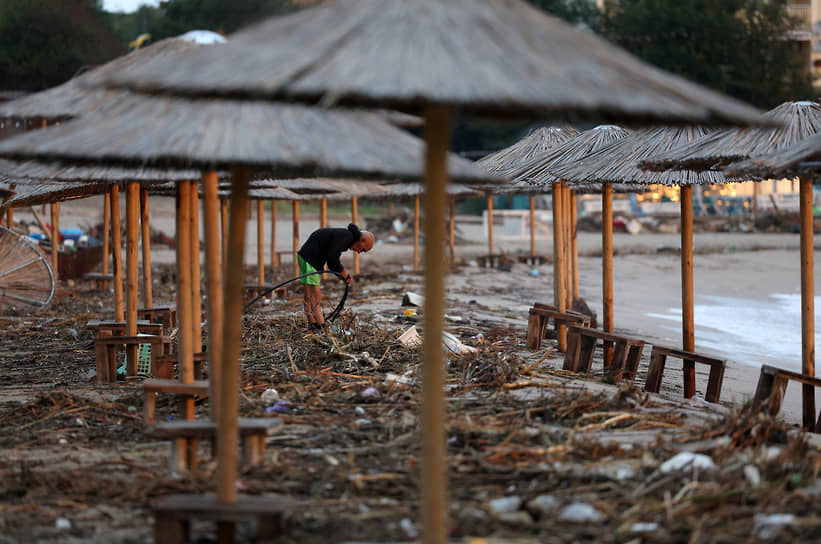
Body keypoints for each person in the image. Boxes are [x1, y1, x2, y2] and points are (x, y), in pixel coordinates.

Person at [297, 223, 374, 330]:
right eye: (363, 249)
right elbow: (332, 260)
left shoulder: (345, 236)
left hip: (304, 256)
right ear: (362, 240)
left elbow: (332, 259)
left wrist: (341, 273)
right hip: (311, 260)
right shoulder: (347, 237)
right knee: (316, 295)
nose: (359, 252)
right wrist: (344, 274)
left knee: (308, 295)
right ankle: (321, 326)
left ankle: (313, 324)